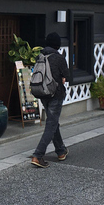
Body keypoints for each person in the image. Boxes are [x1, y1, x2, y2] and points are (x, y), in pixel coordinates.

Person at [31, 32, 70, 168]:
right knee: (51, 124)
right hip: (55, 94)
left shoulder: (39, 56)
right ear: (58, 45)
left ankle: (61, 151)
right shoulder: (59, 58)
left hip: (42, 94)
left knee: (53, 123)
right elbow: (66, 76)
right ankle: (38, 155)